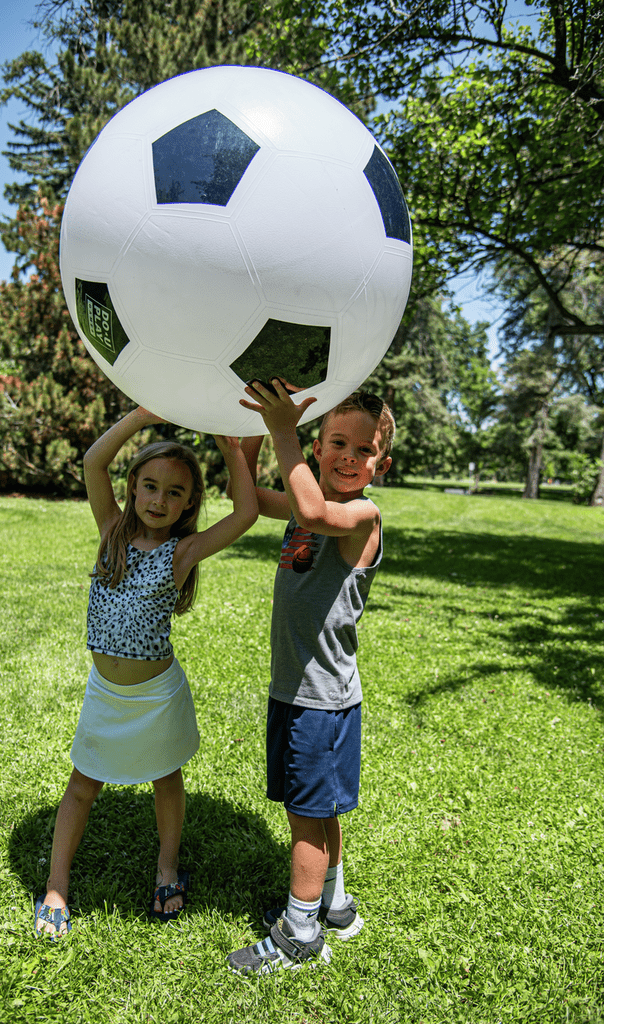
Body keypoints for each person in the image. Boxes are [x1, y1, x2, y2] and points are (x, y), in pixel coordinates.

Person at [34, 406, 258, 939]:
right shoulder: (111, 529)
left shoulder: (182, 552)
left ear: (189, 504)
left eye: (174, 493)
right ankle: (56, 885)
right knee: (82, 785)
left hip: (157, 696)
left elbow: (246, 513)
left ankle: (166, 868)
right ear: (132, 487)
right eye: (150, 486)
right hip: (106, 695)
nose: (159, 500)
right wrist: (144, 415)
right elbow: (94, 462)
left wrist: (230, 448)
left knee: (165, 779)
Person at [225, 381, 395, 975]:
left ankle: (300, 935)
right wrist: (237, 444)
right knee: (320, 810)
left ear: (382, 464)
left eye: (364, 450)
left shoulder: (360, 515)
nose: (350, 457)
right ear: (319, 449)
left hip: (319, 700)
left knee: (304, 814)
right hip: (299, 692)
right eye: (338, 443)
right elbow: (243, 498)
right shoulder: (309, 502)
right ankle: (336, 905)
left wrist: (281, 429)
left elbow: (313, 511)